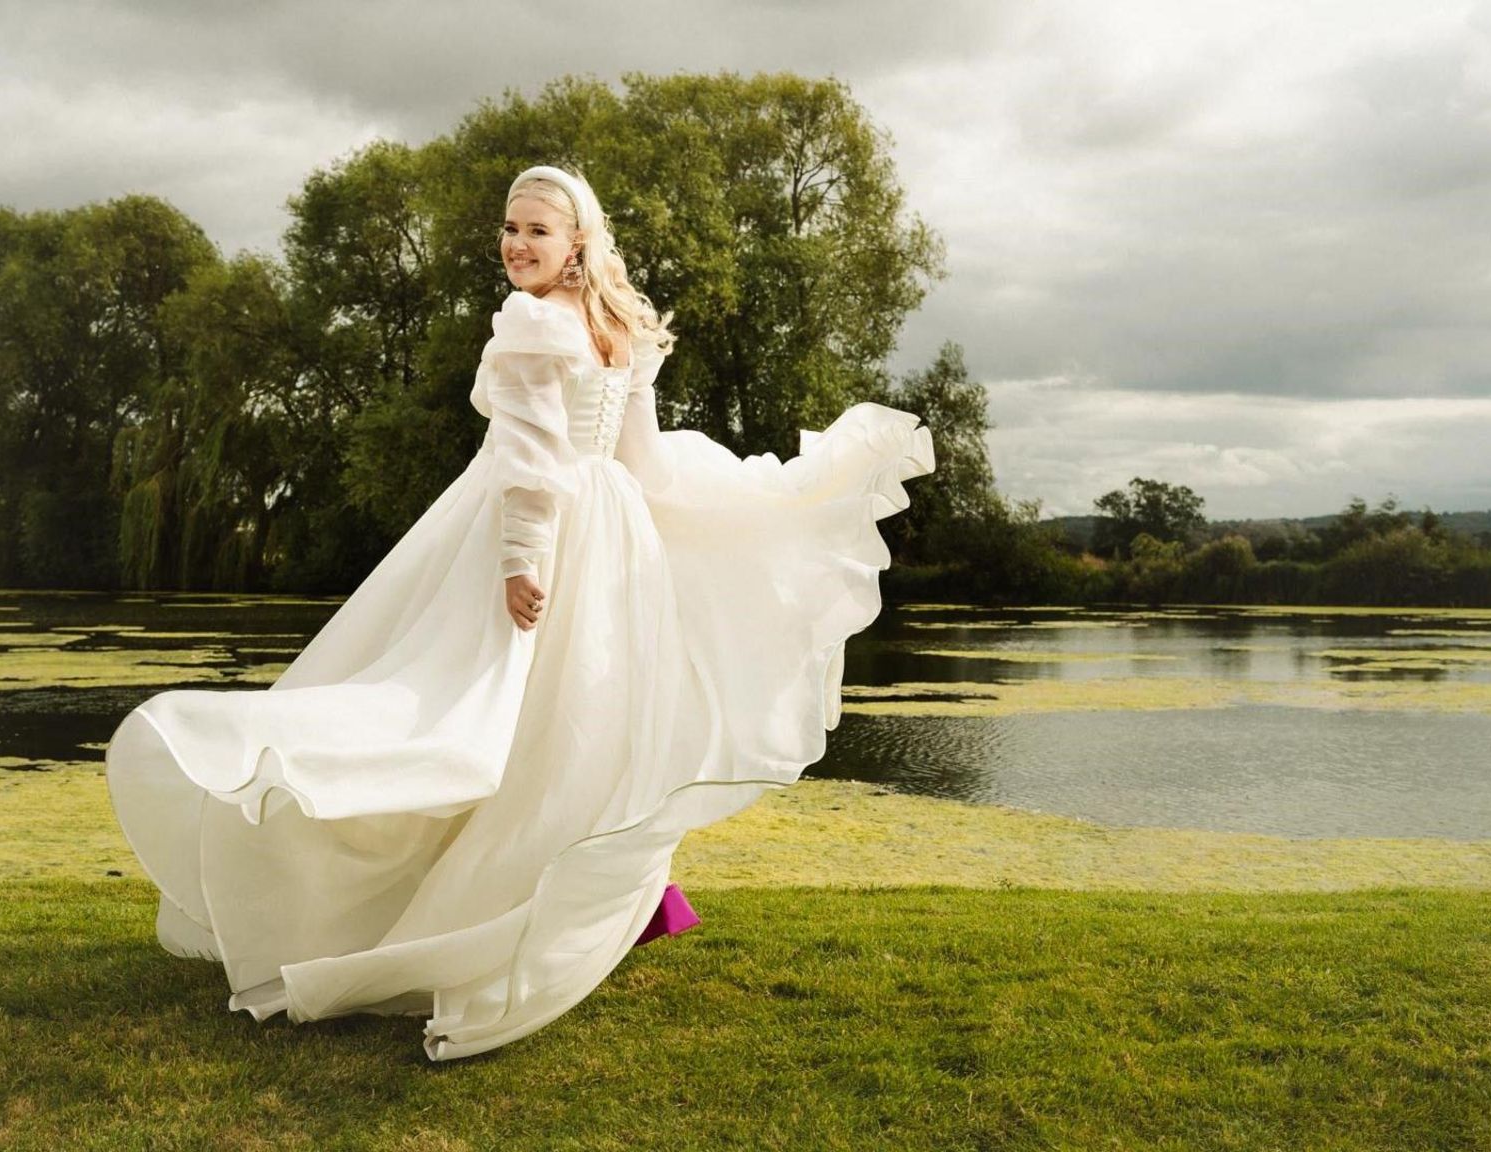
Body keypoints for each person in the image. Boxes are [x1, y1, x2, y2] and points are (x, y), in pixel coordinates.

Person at [104, 163, 935, 1061]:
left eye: (538, 230)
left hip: (552, 540)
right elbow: (617, 468)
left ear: (577, 241)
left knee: (516, 717)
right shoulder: (602, 323)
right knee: (561, 725)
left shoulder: (553, 324)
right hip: (597, 541)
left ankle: (549, 903)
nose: (517, 244)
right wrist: (717, 507)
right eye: (509, 227)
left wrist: (523, 561)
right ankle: (562, 900)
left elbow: (559, 462)